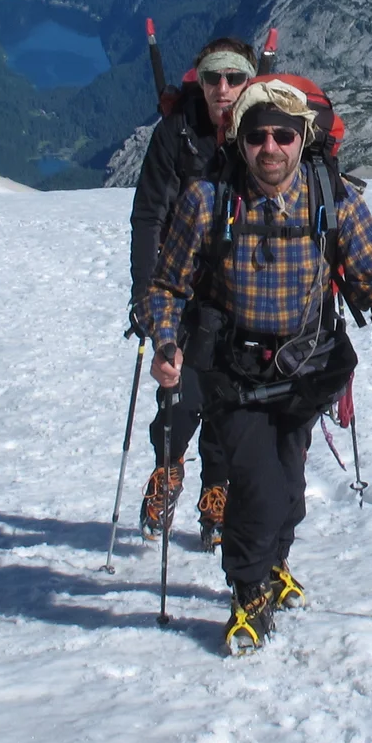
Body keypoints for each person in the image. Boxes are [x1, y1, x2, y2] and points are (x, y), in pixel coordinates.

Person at [144, 77, 372, 653]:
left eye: (283, 136)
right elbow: (166, 287)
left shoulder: (332, 198)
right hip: (229, 372)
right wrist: (168, 344)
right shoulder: (207, 200)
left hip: (305, 370)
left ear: (301, 138)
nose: (271, 147)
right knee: (260, 487)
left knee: (288, 486)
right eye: (259, 135)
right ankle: (248, 589)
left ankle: (275, 559)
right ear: (240, 141)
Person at [129, 37, 257, 550]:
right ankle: (169, 467)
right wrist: (146, 293)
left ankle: (216, 490)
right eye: (211, 78)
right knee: (180, 393)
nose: (221, 89)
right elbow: (148, 216)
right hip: (181, 287)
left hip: (245, 291)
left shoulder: (264, 132)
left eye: (232, 78)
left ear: (249, 80)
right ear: (198, 81)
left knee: (230, 400)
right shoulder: (175, 133)